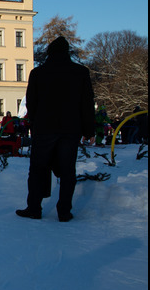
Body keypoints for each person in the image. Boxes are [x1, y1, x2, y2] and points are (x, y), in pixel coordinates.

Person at [16, 36, 95, 222]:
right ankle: (64, 211)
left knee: (37, 168)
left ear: (49, 52)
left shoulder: (38, 73)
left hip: (44, 128)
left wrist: (34, 125)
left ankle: (34, 208)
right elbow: (87, 104)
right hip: (70, 129)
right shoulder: (80, 72)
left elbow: (32, 104)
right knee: (68, 171)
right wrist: (89, 130)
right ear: (67, 52)